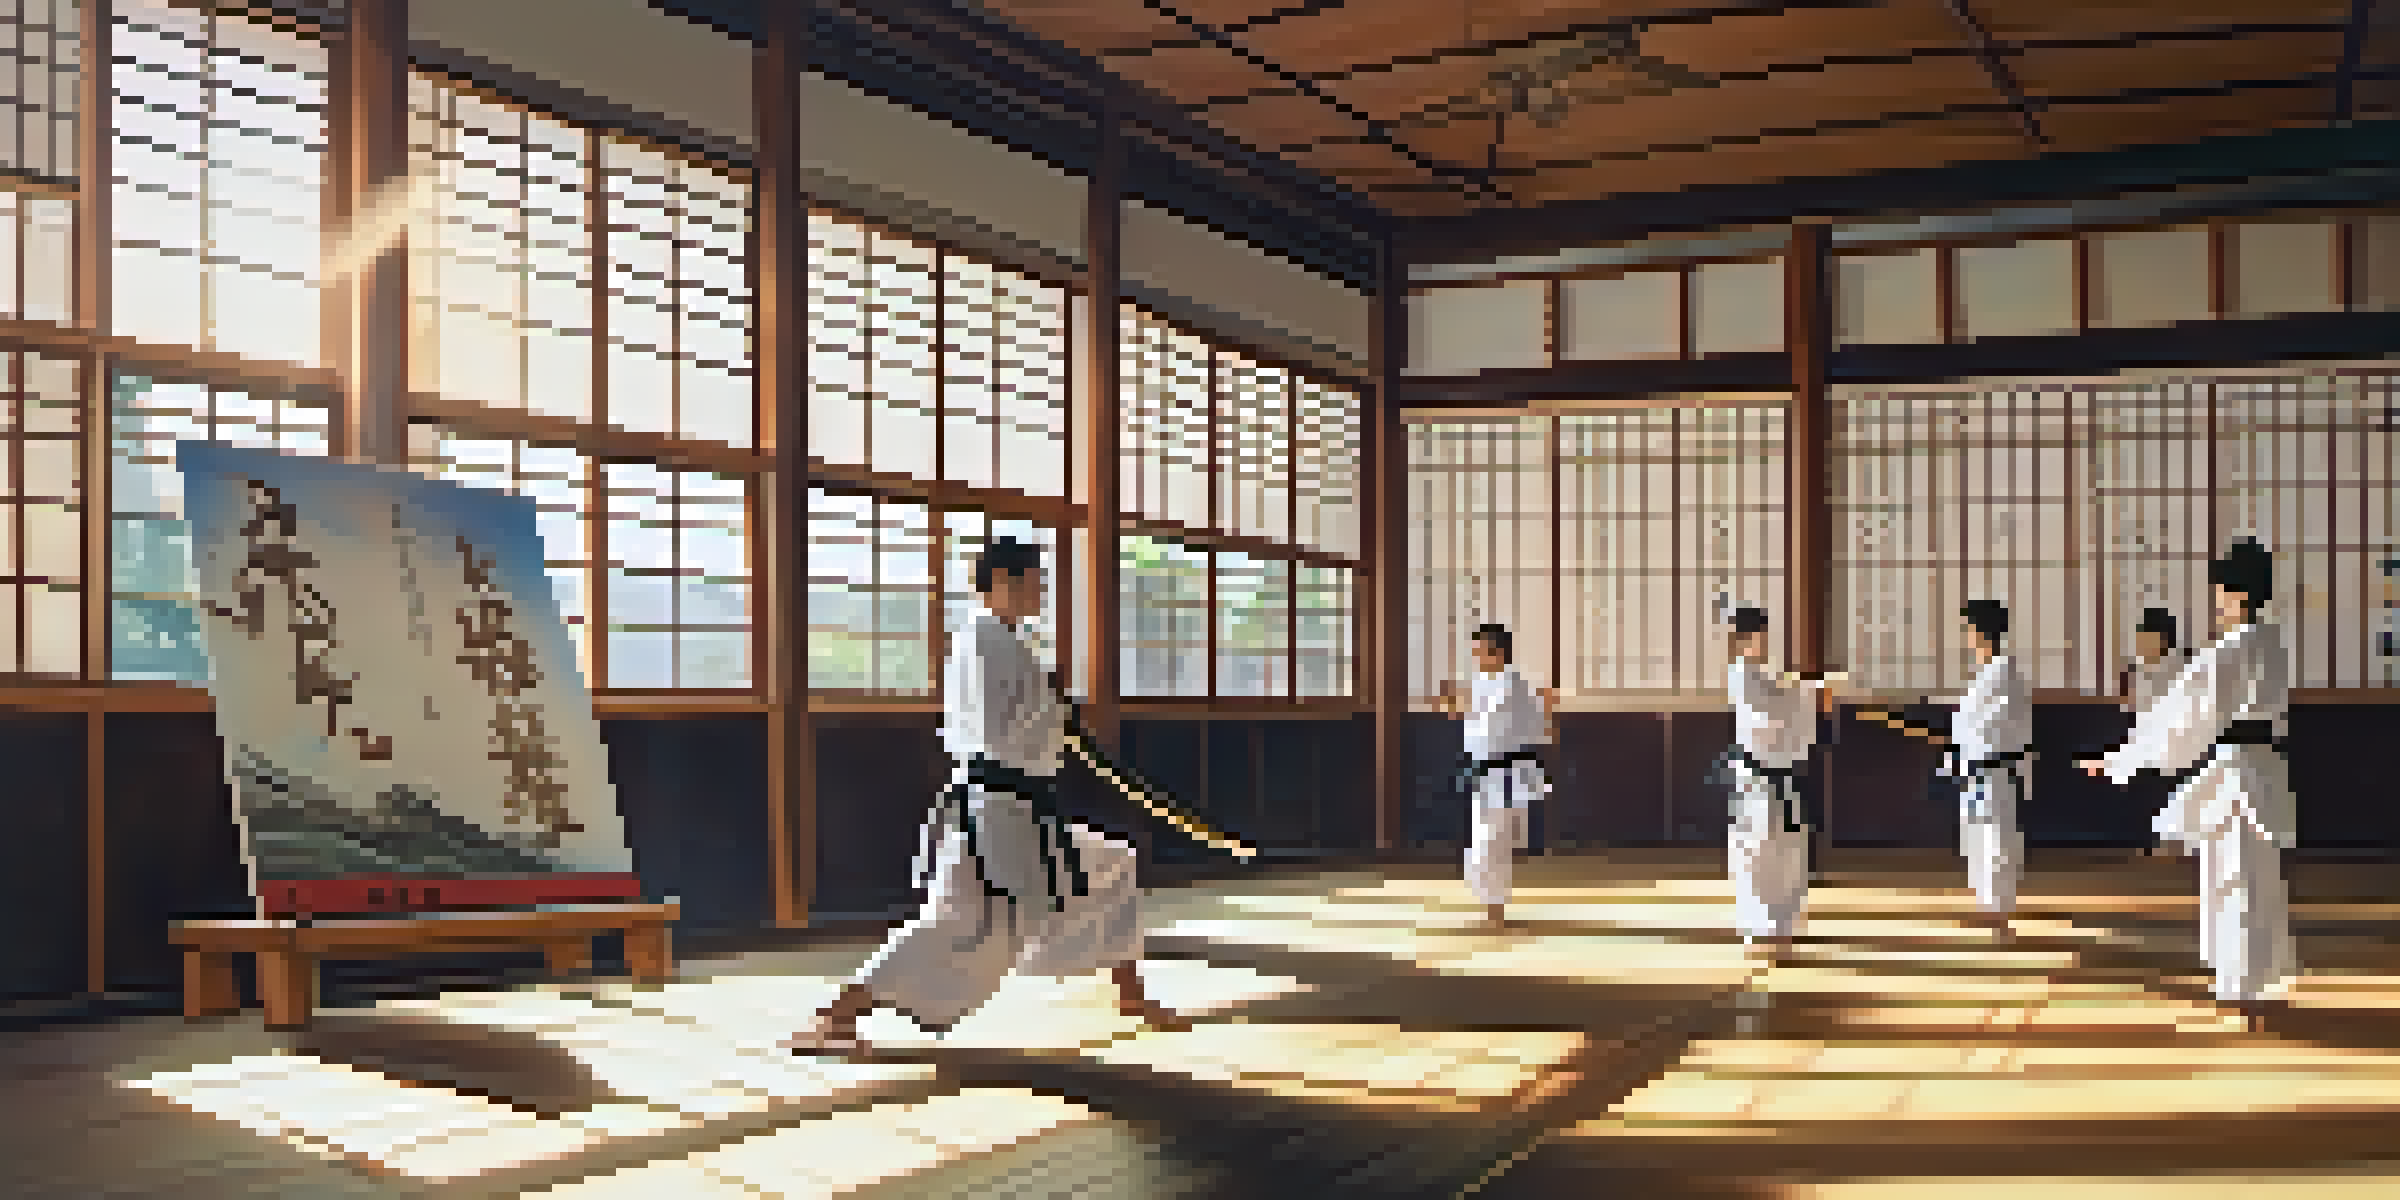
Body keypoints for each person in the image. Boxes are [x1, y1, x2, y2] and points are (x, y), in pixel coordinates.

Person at [781, 538, 1185, 1056]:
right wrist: (1053, 705)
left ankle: (1131, 995)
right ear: (1001, 583)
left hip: (1015, 810)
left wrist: (1051, 703)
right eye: (1034, 583)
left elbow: (1021, 722)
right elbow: (997, 734)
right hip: (995, 811)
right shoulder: (983, 640)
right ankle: (832, 1017)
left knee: (1111, 864)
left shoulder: (1003, 638)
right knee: (956, 921)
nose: (1041, 593)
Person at [2083, 539, 2297, 1022]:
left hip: (2238, 771)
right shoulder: (2270, 643)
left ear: (2236, 594)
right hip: (2259, 766)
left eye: (2219, 592)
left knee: (2235, 877)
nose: (2215, 602)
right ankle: (2247, 978)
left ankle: (2242, 984)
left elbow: (2178, 719)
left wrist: (2119, 760)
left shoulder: (2230, 651)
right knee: (2250, 878)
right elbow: (2181, 715)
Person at [1722, 607, 1827, 960]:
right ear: (1746, 639)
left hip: (1779, 776)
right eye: (1762, 636)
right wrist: (1810, 694)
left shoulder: (1762, 676)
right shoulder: (1743, 675)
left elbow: (1785, 708)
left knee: (1787, 851)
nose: (1767, 643)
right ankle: (1762, 926)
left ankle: (1784, 923)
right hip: (1759, 779)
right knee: (1759, 853)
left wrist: (1808, 692)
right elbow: (1770, 718)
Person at [1440, 624, 1555, 931]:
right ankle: (1492, 905)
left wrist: (1546, 707)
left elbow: (1525, 728)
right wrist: (1453, 703)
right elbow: (1470, 721)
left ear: (1498, 652)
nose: (1476, 657)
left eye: (1480, 651)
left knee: (1494, 839)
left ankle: (1495, 909)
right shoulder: (1483, 682)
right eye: (1475, 651)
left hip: (1507, 768)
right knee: (1486, 837)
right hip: (1485, 766)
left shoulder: (1513, 685)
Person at [1951, 599, 2031, 934]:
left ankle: (1999, 917)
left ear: (1982, 633)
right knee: (1977, 843)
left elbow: (1997, 726)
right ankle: (1987, 909)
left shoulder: (2005, 674)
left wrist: (1964, 739)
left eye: (1969, 630)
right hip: (1976, 770)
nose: (1967, 637)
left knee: (1996, 844)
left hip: (1994, 770)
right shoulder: (1987, 674)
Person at [2118, 608, 2191, 859]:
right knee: (2146, 796)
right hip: (2145, 744)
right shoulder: (2134, 667)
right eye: (2139, 638)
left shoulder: (2184, 666)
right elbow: (2128, 705)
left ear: (2163, 639)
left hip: (2178, 745)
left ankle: (2175, 846)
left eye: (2147, 638)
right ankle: (2151, 845)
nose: (2141, 644)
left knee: (2174, 795)